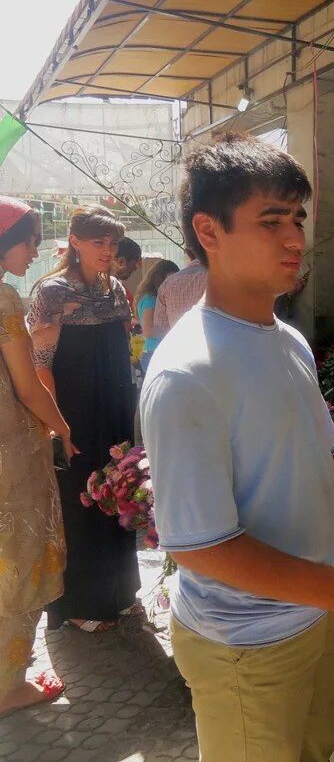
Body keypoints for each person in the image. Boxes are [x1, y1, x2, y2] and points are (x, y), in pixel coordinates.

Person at [140, 133, 334, 762]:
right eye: (271, 221)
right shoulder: (188, 372)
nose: (295, 239)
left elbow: (323, 455)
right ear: (210, 231)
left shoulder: (285, 339)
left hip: (307, 617)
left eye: (298, 219)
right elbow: (199, 545)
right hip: (245, 646)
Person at [27, 205, 142, 633]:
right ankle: (79, 604)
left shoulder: (116, 289)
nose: (108, 250)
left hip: (114, 410)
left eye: (112, 243)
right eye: (99, 242)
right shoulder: (52, 292)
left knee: (120, 495)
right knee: (81, 504)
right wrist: (59, 425)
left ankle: (120, 593)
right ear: (75, 242)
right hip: (75, 414)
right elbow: (41, 364)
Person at [0, 197, 72, 715]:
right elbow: (27, 386)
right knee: (18, 562)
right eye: (29, 239)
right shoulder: (4, 299)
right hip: (10, 453)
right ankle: (8, 688)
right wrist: (63, 427)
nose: (35, 250)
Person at [134, 259, 179, 374]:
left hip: (153, 352)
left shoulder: (148, 297)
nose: (172, 284)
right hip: (155, 353)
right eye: (168, 280)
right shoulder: (151, 299)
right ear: (159, 279)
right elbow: (148, 330)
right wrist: (174, 332)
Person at [153, 245, 207, 336]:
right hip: (213, 345)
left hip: (179, 345)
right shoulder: (221, 279)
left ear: (187, 252)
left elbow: (160, 328)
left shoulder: (167, 284)